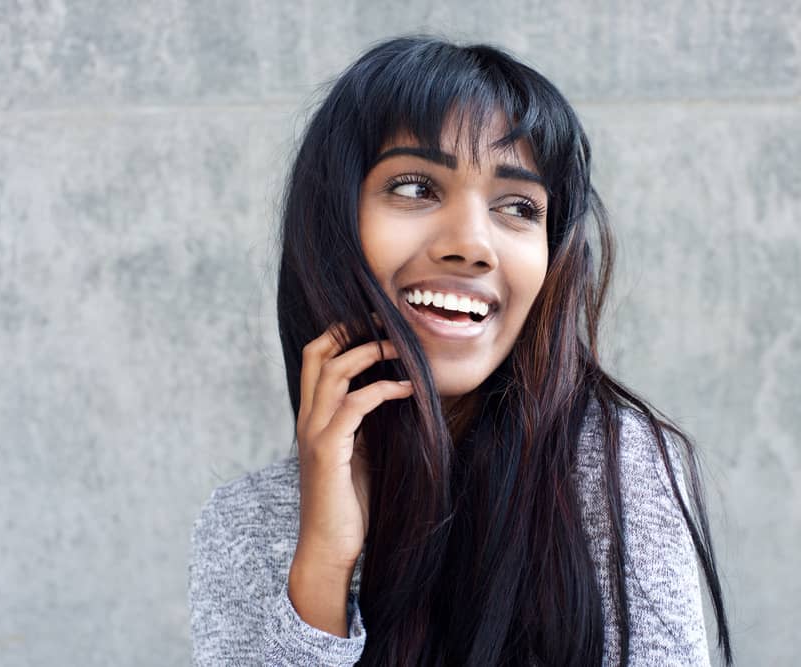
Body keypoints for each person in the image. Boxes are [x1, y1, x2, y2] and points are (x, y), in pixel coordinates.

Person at [188, 35, 733, 666]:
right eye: (416, 187)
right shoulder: (245, 525)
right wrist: (323, 566)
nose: (472, 245)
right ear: (332, 223)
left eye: (518, 206)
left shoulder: (613, 467)